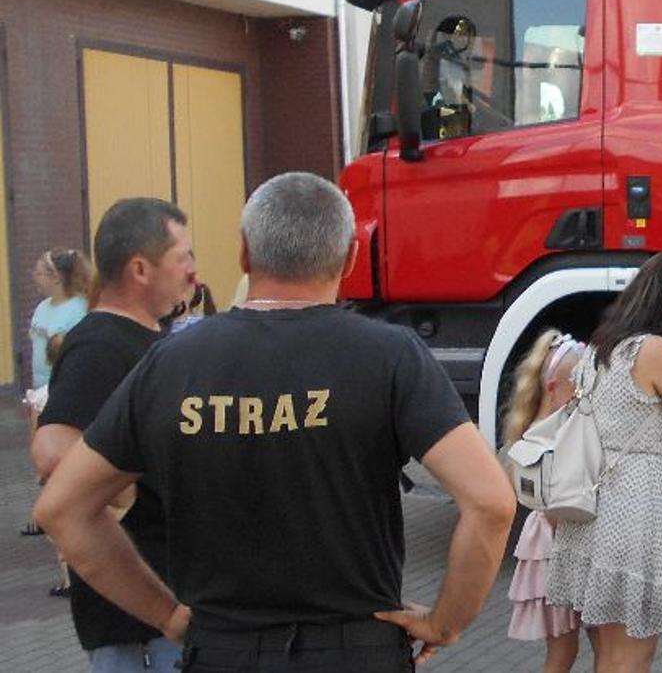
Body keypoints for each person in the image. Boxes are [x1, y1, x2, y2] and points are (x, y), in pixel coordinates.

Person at [34, 173, 518, 671]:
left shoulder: (170, 363)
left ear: (245, 253)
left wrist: (167, 616)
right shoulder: (390, 357)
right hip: (355, 650)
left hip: (222, 648)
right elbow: (491, 502)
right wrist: (446, 622)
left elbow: (64, 509)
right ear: (350, 256)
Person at [30, 198, 195, 672]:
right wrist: (126, 489)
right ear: (141, 268)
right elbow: (52, 450)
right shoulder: (101, 344)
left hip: (170, 603)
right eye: (183, 255)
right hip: (140, 622)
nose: (192, 270)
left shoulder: (146, 339)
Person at [546, 250, 662, 672]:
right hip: (636, 506)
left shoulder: (602, 346)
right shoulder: (655, 350)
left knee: (607, 653)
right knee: (633, 656)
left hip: (591, 503)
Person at [502, 329, 590, 672]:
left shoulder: (533, 429)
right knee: (570, 651)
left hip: (546, 545)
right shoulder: (557, 432)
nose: (584, 394)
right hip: (560, 547)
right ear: (554, 387)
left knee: (563, 651)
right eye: (578, 385)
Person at [22, 248, 93, 539]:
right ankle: (46, 511)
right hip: (40, 389)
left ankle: (57, 513)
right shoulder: (43, 307)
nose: (35, 276)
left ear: (56, 277)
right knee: (40, 456)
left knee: (57, 456)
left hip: (60, 387)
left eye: (40, 271)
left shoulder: (78, 310)